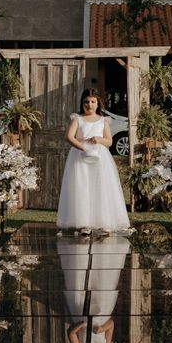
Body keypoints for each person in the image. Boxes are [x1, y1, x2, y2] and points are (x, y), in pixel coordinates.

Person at [56, 89, 130, 235]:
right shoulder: (77, 119)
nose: (89, 105)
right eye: (86, 102)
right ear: (82, 103)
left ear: (98, 104)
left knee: (101, 187)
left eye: (92, 102)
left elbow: (109, 141)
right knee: (82, 187)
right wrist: (82, 147)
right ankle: (84, 223)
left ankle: (104, 222)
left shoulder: (103, 120)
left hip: (100, 158)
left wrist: (99, 139)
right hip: (80, 156)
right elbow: (69, 137)